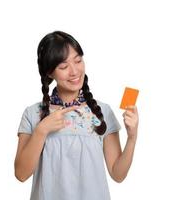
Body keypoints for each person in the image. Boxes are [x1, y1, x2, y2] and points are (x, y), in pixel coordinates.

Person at [14, 31, 139, 200]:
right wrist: (41, 130)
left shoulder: (102, 111)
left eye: (78, 60)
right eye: (64, 66)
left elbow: (118, 174)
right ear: (49, 73)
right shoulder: (32, 114)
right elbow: (21, 174)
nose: (74, 71)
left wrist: (132, 137)